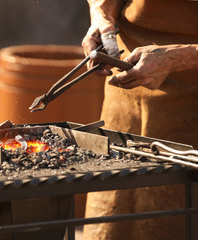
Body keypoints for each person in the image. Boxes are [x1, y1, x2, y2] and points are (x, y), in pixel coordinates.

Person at [81, 0, 198, 239]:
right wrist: (101, 14)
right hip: (123, 92)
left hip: (191, 103)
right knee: (109, 220)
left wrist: (179, 57)